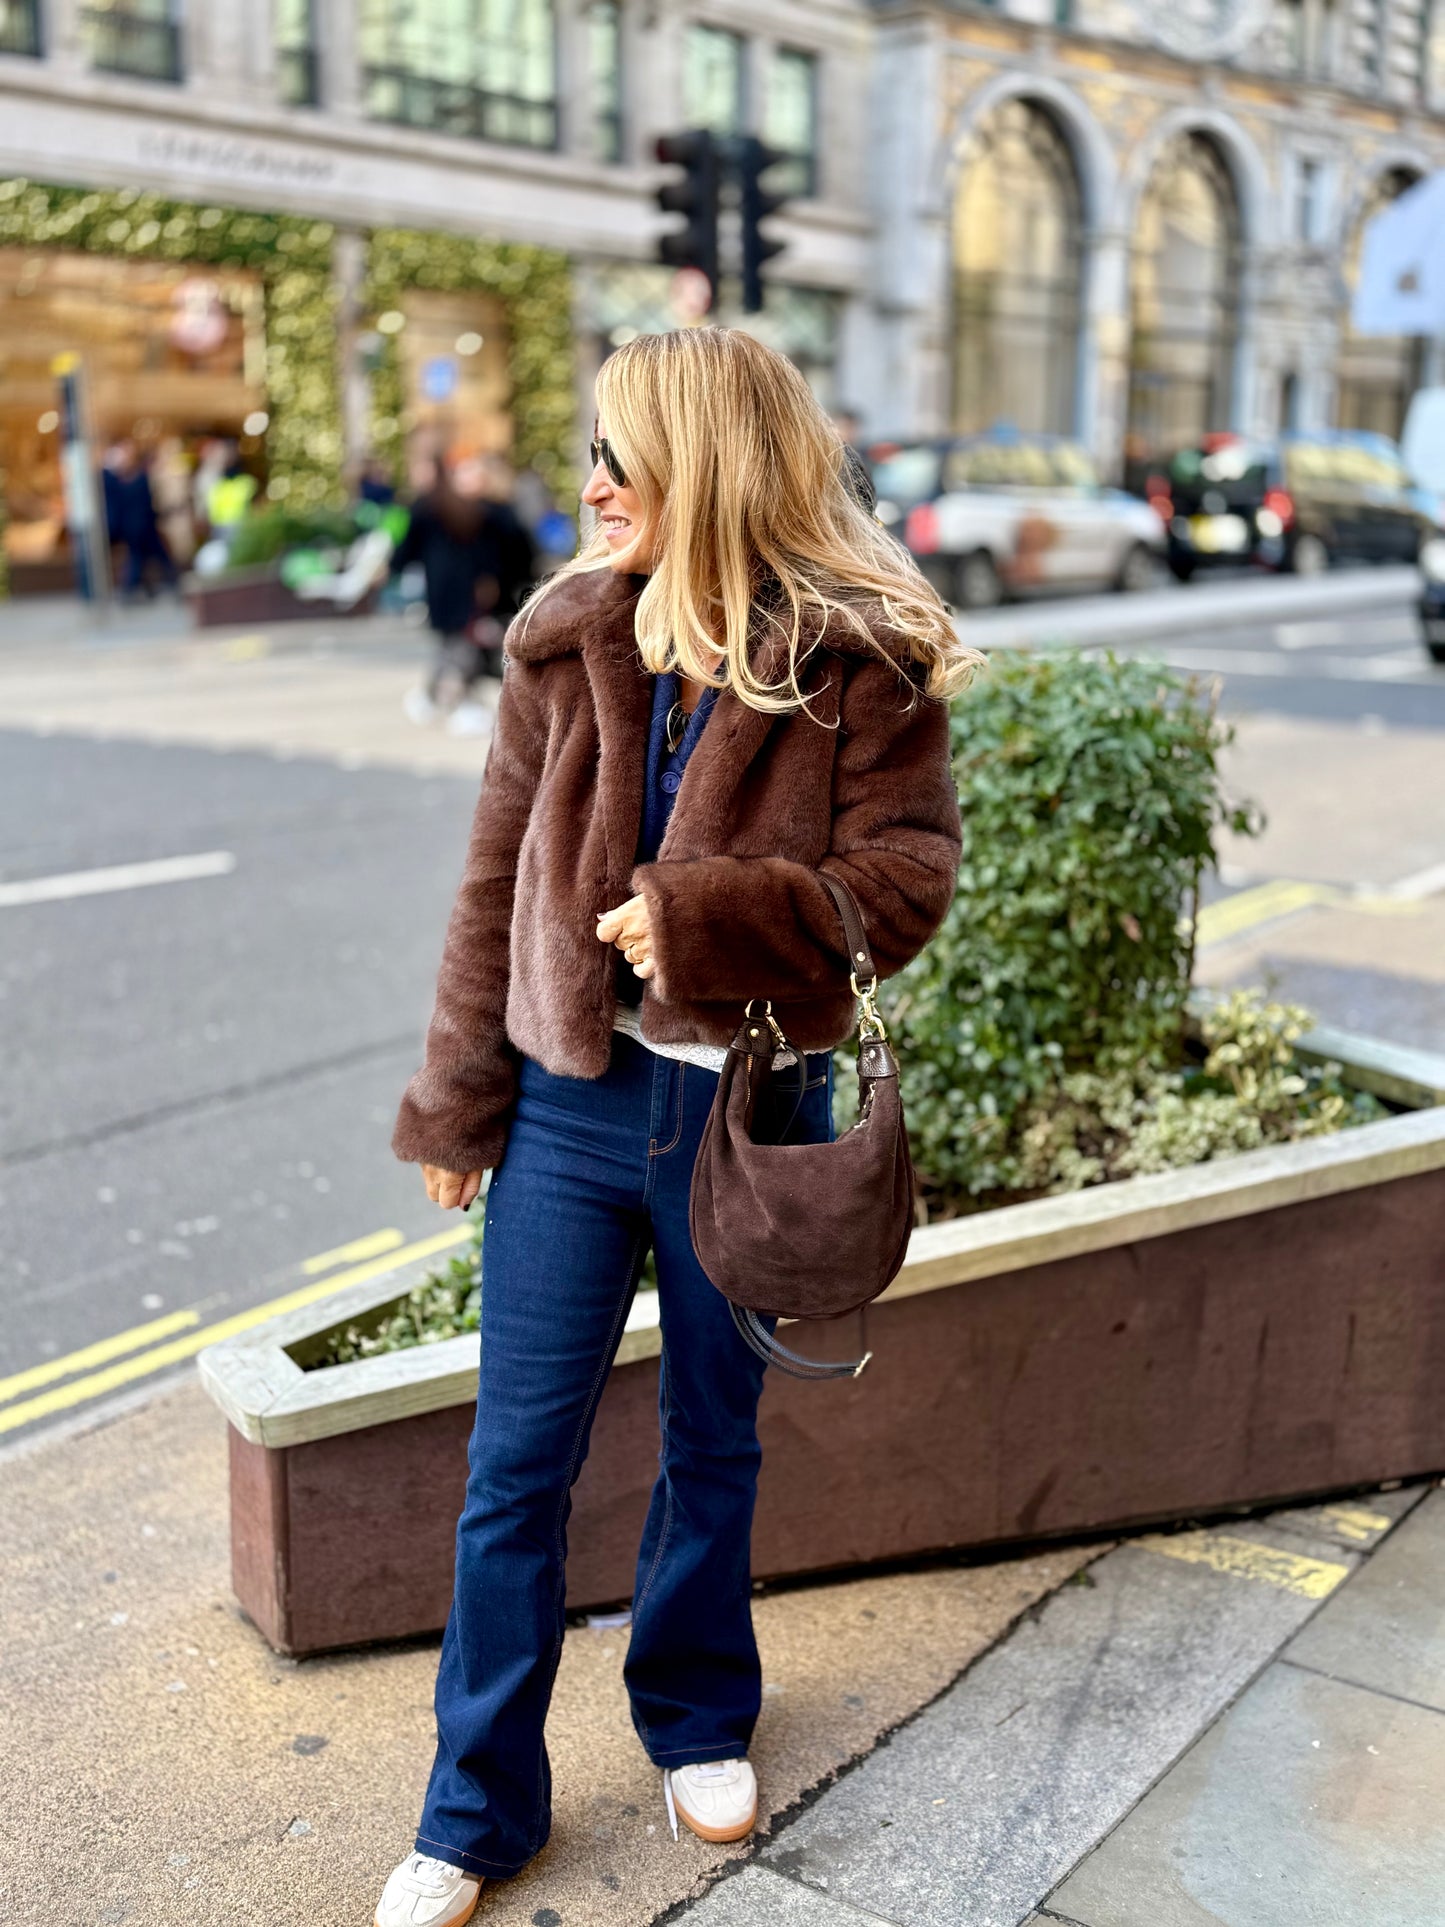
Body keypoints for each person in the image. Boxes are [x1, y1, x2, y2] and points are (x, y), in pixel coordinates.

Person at [374, 328, 979, 1927]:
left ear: (707, 459)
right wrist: (459, 1097)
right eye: (590, 451)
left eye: (620, 452)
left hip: (747, 1110)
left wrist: (706, 916)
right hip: (568, 1110)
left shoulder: (854, 659)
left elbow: (904, 884)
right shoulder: (564, 640)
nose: (590, 483)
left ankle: (697, 1711)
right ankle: (472, 1804)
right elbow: (491, 885)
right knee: (515, 1465)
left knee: (715, 1434)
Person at [394, 449, 537, 737]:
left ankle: (442, 699)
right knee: (459, 648)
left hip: (473, 595)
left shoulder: (489, 511)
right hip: (456, 595)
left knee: (461, 648)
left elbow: (514, 553)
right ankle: (452, 701)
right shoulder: (438, 508)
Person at [101, 440, 177, 599]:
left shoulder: (131, 480)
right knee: (144, 557)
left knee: (145, 557)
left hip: (139, 527)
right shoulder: (123, 481)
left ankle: (142, 587)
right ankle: (136, 588)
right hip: (139, 528)